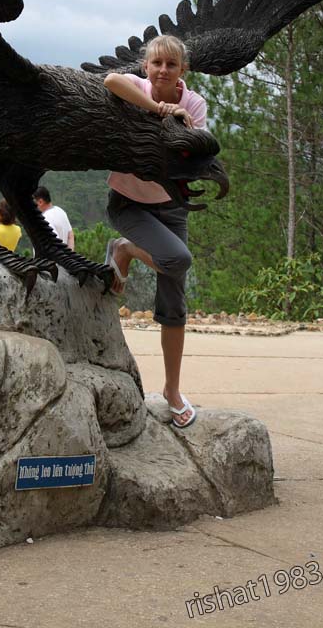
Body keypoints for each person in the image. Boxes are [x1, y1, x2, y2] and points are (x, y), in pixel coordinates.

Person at [103, 34, 206, 429]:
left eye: (171, 64)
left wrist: (181, 121)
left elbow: (193, 151)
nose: (162, 70)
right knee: (177, 259)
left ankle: (172, 391)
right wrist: (157, 108)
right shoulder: (137, 88)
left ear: (183, 70)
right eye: (156, 63)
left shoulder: (195, 104)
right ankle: (126, 248)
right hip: (128, 202)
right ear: (145, 67)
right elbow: (112, 81)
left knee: (175, 308)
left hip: (171, 205)